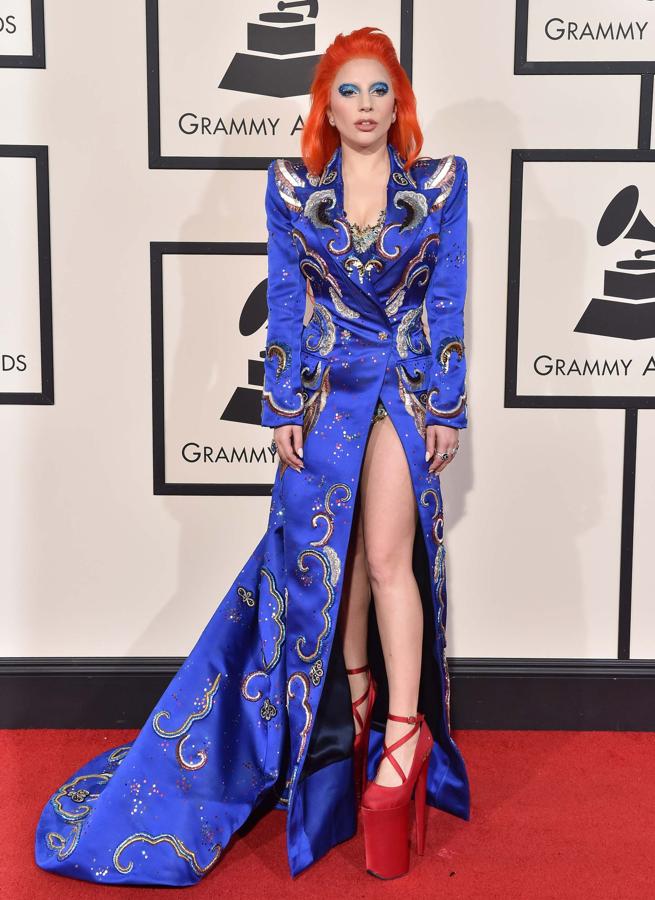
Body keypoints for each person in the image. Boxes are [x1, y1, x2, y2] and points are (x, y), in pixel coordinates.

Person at [34, 25, 470, 886]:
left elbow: (444, 296)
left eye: (379, 90)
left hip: (402, 391)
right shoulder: (289, 190)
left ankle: (403, 739)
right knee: (329, 564)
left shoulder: (442, 186)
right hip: (325, 395)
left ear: (399, 100)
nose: (365, 107)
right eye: (347, 91)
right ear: (324, 104)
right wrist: (281, 405)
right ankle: (348, 702)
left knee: (386, 557)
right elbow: (283, 294)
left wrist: (444, 405)